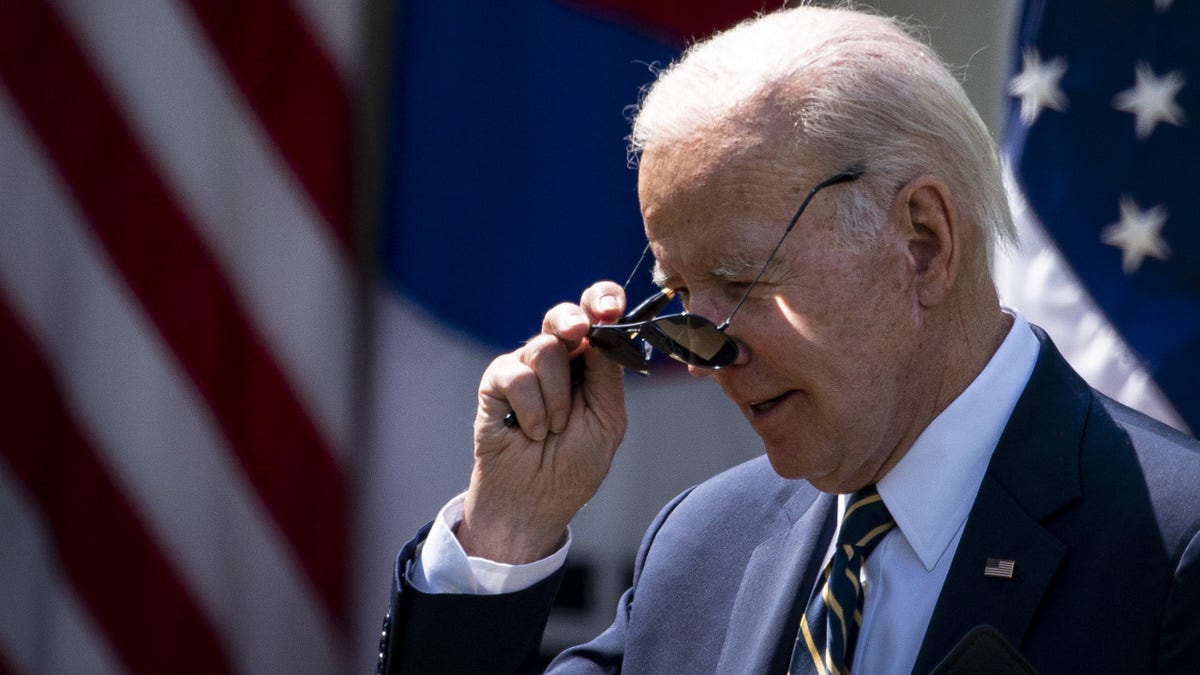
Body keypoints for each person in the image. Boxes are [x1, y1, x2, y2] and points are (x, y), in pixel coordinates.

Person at [376, 6, 1200, 673]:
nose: (711, 355)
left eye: (742, 283)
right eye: (678, 301)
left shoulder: (1172, 552)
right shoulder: (702, 544)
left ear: (922, 241)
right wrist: (508, 529)